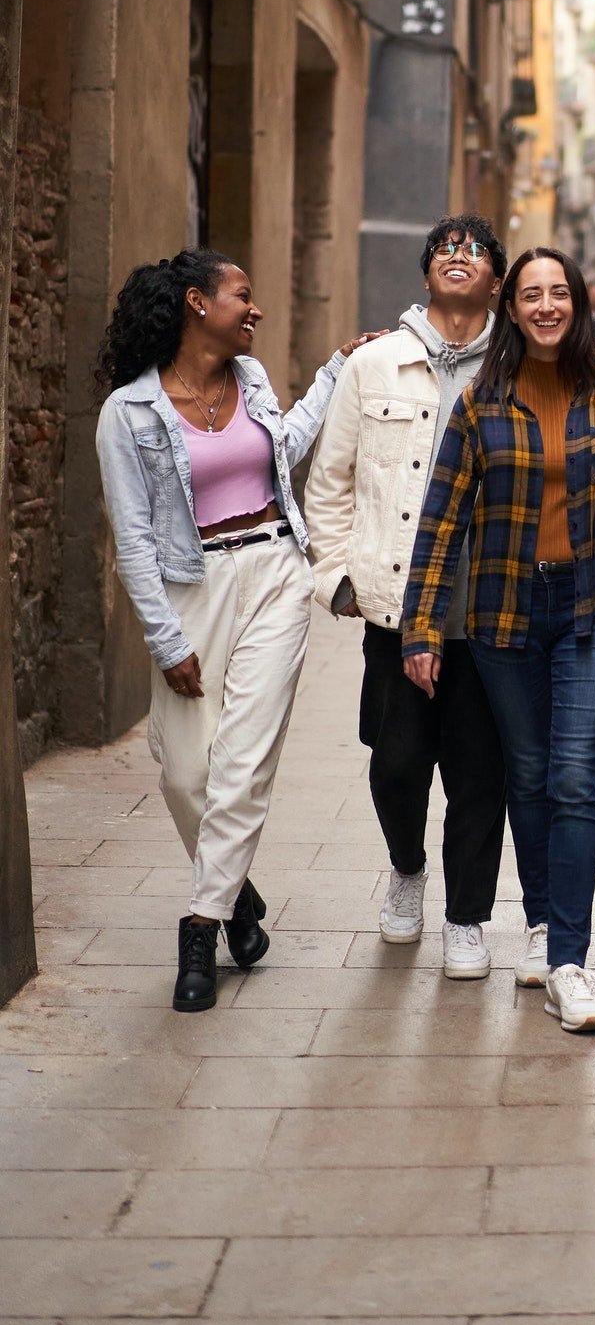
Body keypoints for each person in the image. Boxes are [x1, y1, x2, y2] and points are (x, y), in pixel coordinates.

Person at [94, 249, 377, 1013]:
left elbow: (281, 452)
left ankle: (199, 929)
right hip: (191, 590)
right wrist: (165, 640)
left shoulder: (250, 382)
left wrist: (332, 373)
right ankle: (240, 902)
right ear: (196, 303)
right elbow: (133, 539)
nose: (254, 309)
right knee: (187, 773)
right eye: (241, 295)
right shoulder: (128, 414)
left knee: (242, 763)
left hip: (273, 575)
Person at [401, 246, 595, 1034]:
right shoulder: (482, 404)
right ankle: (546, 922)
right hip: (502, 614)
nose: (547, 305)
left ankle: (570, 963)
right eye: (531, 295)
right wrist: (422, 627)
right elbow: (441, 520)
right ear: (510, 310)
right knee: (526, 775)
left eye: (559, 292)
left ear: (578, 304)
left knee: (574, 776)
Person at [305, 214, 509, 977]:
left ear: (494, 277)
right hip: (394, 605)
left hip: (486, 610)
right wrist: (339, 580)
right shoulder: (375, 365)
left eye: (476, 250)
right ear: (426, 273)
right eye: (445, 250)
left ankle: (466, 917)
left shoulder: (517, 365)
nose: (459, 257)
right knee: (395, 764)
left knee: (479, 776)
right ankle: (407, 867)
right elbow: (329, 481)